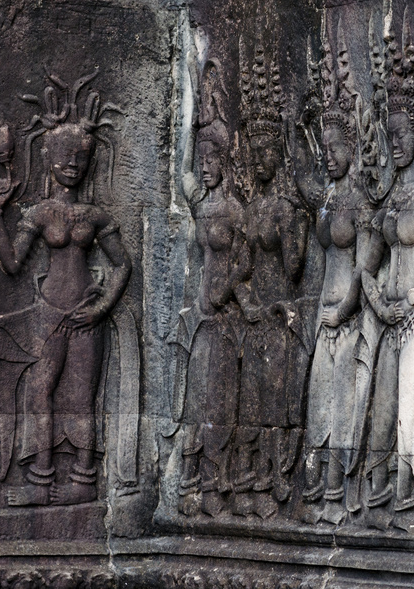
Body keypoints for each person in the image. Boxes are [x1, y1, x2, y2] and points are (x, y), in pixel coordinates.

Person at [0, 72, 131, 507]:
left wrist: (104, 307)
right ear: (49, 158)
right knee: (39, 390)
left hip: (86, 314)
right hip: (48, 312)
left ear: (89, 161)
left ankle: (85, 480)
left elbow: (123, 264)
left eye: (80, 156)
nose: (72, 163)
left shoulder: (95, 215)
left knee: (82, 397)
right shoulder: (41, 213)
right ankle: (41, 478)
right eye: (64, 155)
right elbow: (12, 263)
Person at [361, 16, 414, 530]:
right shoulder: (386, 198)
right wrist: (375, 300)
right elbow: (366, 265)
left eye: (402, 135)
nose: (395, 144)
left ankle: (407, 494)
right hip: (382, 316)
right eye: (388, 135)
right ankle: (374, 492)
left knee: (410, 409)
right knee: (380, 408)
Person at [295, 28, 376, 525]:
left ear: (353, 147)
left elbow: (365, 263)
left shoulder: (361, 201)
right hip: (322, 309)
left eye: (335, 145)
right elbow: (313, 255)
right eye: (324, 146)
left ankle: (339, 491)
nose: (328, 154)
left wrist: (344, 310)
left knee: (343, 399)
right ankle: (317, 482)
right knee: (319, 401)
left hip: (347, 312)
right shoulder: (325, 198)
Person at [234, 44, 310, 517]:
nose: (262, 159)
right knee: (254, 396)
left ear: (279, 152)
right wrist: (245, 304)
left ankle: (281, 471)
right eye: (255, 151)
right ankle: (258, 469)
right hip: (258, 313)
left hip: (283, 311)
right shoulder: (250, 210)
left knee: (281, 398)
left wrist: (296, 224)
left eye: (268, 150)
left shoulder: (283, 208)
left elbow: (295, 267)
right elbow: (240, 272)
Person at [173, 59, 248, 517]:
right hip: (199, 316)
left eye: (212, 161)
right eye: (201, 161)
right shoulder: (200, 204)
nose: (203, 168)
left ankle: (219, 477)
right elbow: (182, 169)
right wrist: (190, 108)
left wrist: (231, 294)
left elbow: (245, 263)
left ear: (225, 163)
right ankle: (192, 473)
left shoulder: (235, 210)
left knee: (220, 397)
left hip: (224, 315)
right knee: (196, 396)